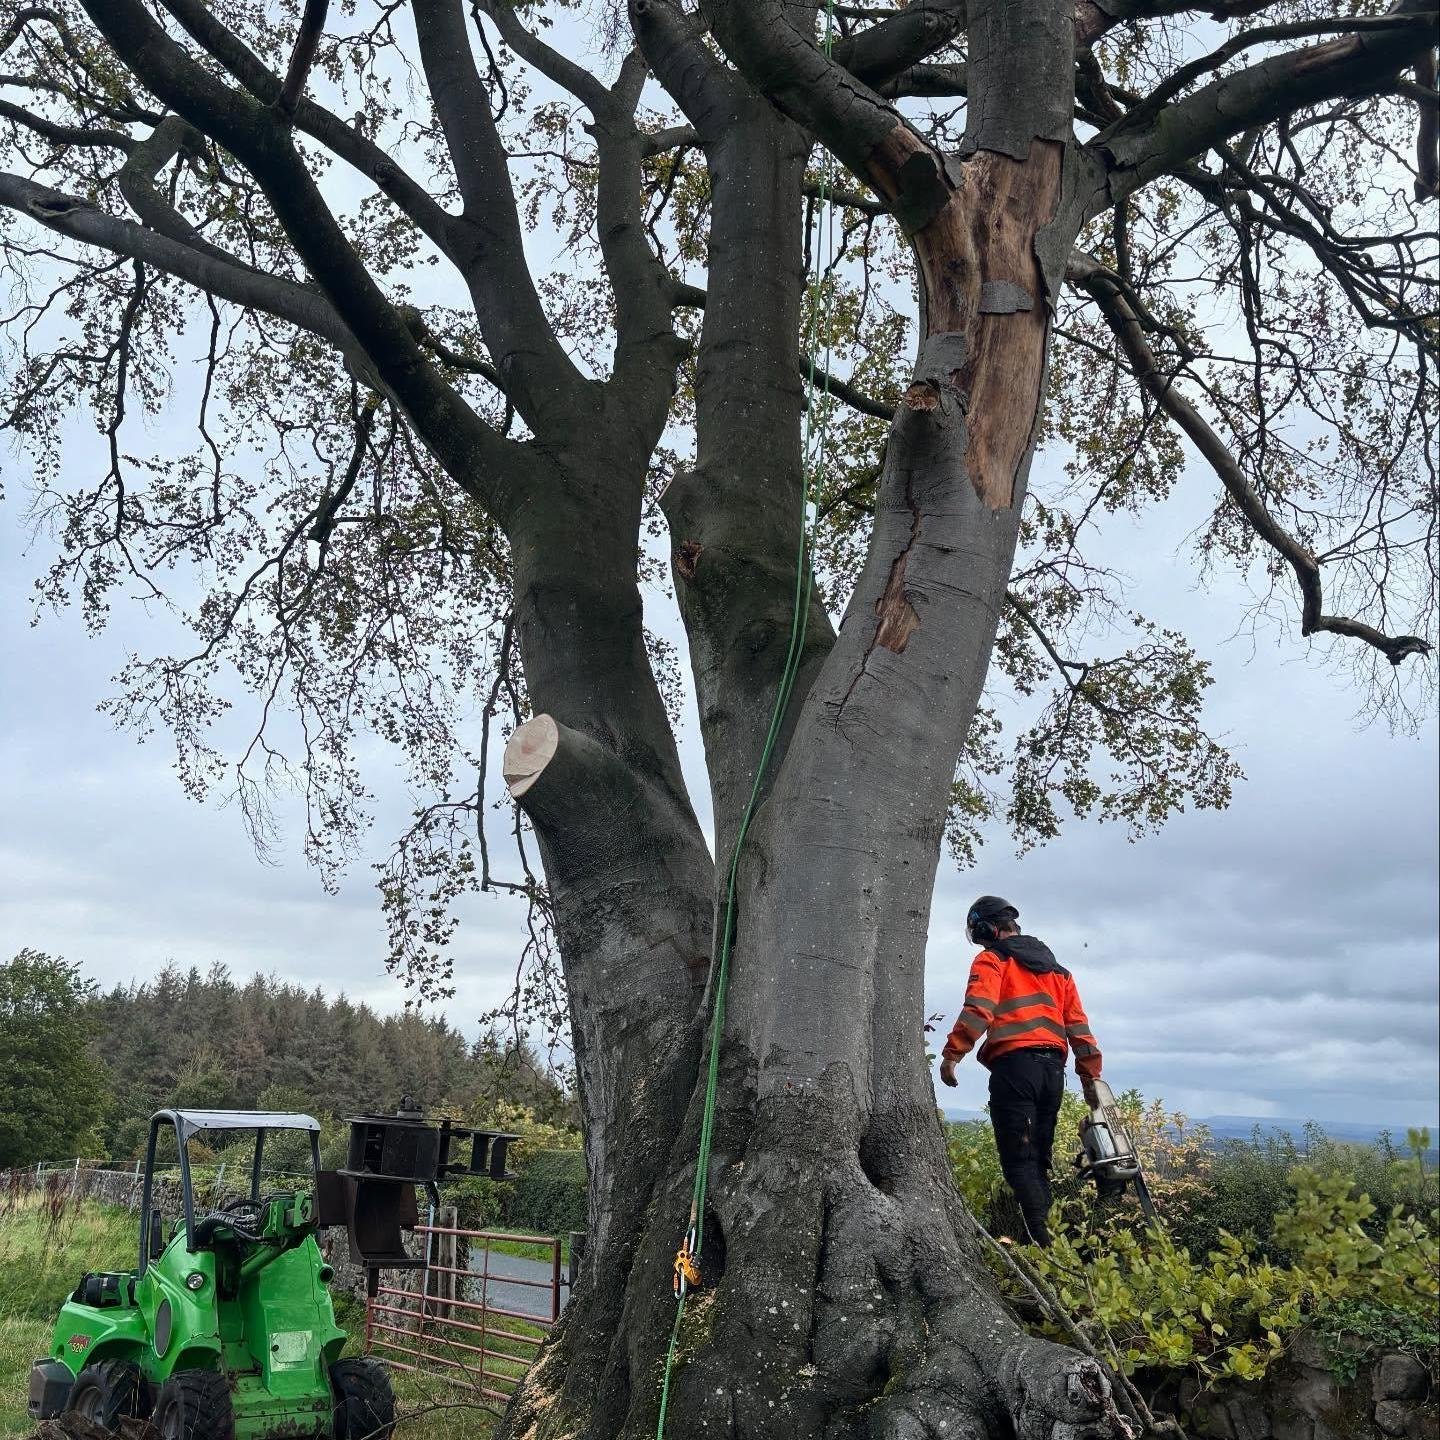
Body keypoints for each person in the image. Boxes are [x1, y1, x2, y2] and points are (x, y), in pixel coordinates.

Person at [938, 894, 1102, 1246]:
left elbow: (979, 1007)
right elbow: (1080, 1029)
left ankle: (1044, 1250)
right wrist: (1090, 1079)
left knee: (1019, 1163)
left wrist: (953, 1053)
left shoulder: (992, 959)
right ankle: (1055, 1245)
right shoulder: (1060, 973)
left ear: (987, 928)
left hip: (1016, 1069)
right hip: (1052, 1074)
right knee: (1038, 1161)